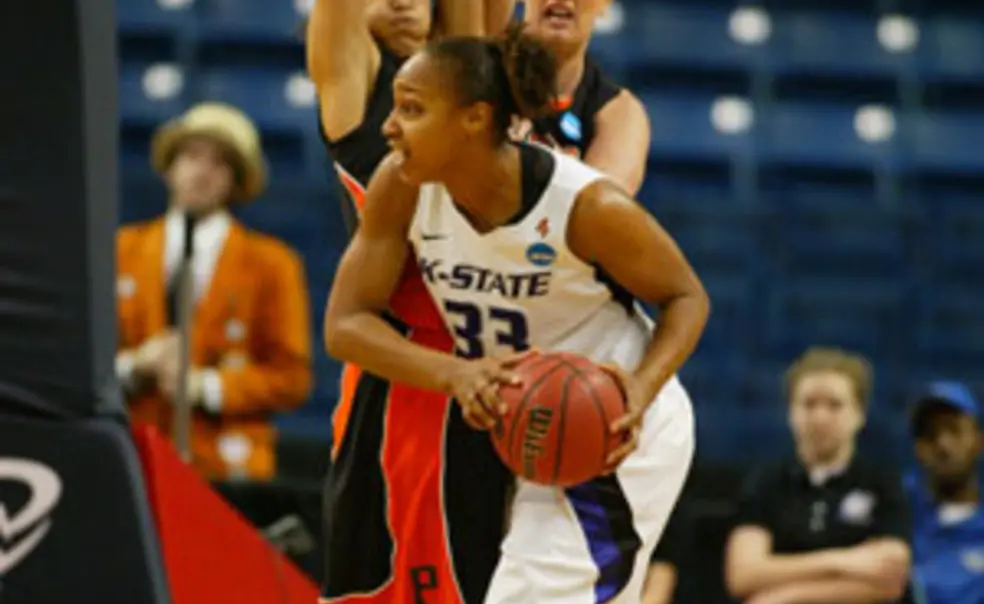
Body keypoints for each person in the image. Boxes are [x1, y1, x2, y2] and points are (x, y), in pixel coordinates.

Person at [324, 25, 706, 603]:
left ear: (474, 119)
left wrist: (640, 388)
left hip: (608, 425)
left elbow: (686, 296)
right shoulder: (402, 185)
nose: (389, 126)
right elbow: (345, 326)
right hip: (528, 422)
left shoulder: (585, 204)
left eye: (411, 109)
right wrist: (454, 374)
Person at [305, 2, 519, 603]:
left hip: (501, 360)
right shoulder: (356, 88)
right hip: (407, 374)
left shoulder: (469, 79)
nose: (403, 1)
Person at [116, 103, 313, 480]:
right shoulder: (121, 250)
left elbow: (292, 378)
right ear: (171, 166)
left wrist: (206, 387)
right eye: (191, 156)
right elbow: (81, 360)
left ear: (236, 180)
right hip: (130, 457)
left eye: (219, 162)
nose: (201, 172)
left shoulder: (272, 264)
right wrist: (134, 367)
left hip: (225, 463)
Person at [725, 347, 911, 604]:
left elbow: (889, 580)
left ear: (859, 414)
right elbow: (744, 574)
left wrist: (786, 597)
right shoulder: (766, 482)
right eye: (809, 404)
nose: (820, 417)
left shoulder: (883, 483)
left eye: (835, 405)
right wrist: (847, 561)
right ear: (790, 412)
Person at [513, 0, 650, 194]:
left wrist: (535, 159)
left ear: (604, 5)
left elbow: (599, 214)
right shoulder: (482, 75)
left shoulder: (620, 113)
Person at [908, 381, 984, 604]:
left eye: (954, 430)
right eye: (931, 435)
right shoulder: (895, 514)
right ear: (918, 449)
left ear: (978, 442)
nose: (943, 444)